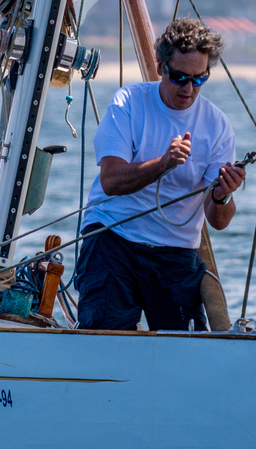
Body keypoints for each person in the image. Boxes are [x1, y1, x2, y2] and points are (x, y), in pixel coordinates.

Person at [75, 18, 246, 331]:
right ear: (160, 67)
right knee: (106, 337)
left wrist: (223, 196)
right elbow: (111, 181)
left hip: (175, 253)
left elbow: (218, 221)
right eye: (179, 77)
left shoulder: (217, 126)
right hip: (113, 238)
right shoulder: (128, 103)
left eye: (199, 79)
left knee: (183, 347)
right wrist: (163, 163)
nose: (188, 88)